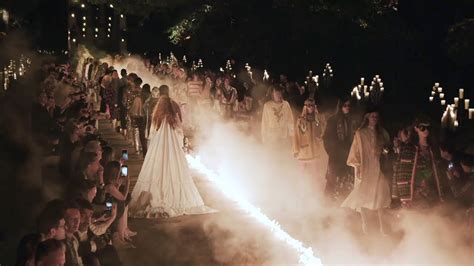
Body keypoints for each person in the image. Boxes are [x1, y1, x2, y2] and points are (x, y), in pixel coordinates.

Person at [129, 95, 214, 218]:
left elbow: (152, 133)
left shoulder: (157, 117)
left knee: (157, 168)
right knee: (174, 168)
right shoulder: (173, 116)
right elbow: (180, 130)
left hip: (158, 147)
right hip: (172, 147)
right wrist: (181, 142)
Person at [341, 110, 391, 235]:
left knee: (381, 195)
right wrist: (357, 167)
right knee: (363, 196)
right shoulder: (360, 133)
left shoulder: (382, 133)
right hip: (365, 168)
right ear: (367, 117)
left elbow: (387, 147)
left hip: (378, 168)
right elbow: (355, 151)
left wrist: (385, 151)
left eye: (376, 116)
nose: (374, 118)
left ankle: (383, 228)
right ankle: (366, 226)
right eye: (372, 116)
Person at [392, 117, 445, 209]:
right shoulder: (408, 148)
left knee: (433, 218)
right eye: (422, 127)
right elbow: (399, 171)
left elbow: (438, 172)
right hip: (414, 192)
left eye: (428, 127)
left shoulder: (433, 148)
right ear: (416, 129)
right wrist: (397, 195)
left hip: (431, 192)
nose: (426, 130)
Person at [323, 98, 359, 200]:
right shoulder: (333, 120)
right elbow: (326, 138)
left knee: (347, 179)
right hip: (336, 155)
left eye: (349, 105)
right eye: (345, 105)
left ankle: (344, 201)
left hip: (349, 154)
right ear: (340, 106)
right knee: (333, 178)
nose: (347, 107)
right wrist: (332, 152)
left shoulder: (353, 120)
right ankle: (328, 203)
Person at [293, 98, 324, 183]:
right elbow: (296, 135)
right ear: (305, 107)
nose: (311, 108)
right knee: (302, 173)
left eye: (313, 106)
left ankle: (314, 189)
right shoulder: (301, 120)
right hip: (304, 150)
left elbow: (320, 133)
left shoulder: (317, 120)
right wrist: (296, 149)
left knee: (315, 172)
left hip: (315, 150)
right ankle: (301, 190)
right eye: (309, 106)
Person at [64, 201, 83, 266]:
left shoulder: (75, 239)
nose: (77, 222)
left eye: (78, 218)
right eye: (73, 219)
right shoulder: (60, 243)